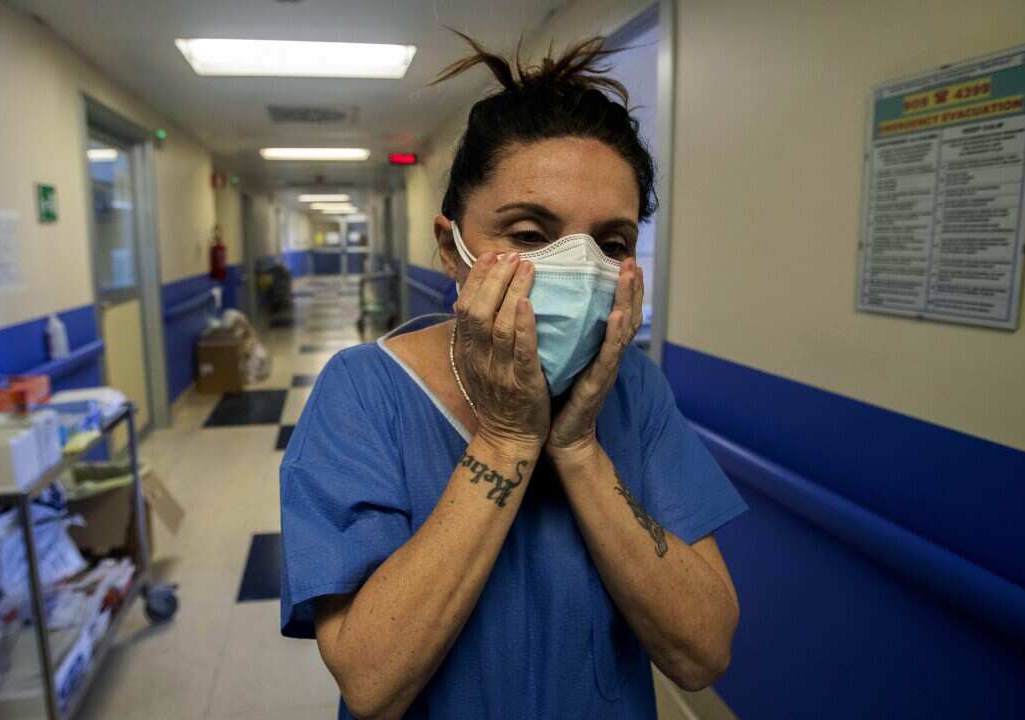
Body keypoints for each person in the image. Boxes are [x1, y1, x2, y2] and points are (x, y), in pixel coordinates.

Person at [280, 34, 746, 719]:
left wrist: (579, 449)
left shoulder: (635, 392)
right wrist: (505, 437)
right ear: (451, 248)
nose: (576, 270)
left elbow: (702, 653)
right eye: (529, 235)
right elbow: (372, 681)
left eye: (610, 245)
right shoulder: (363, 393)